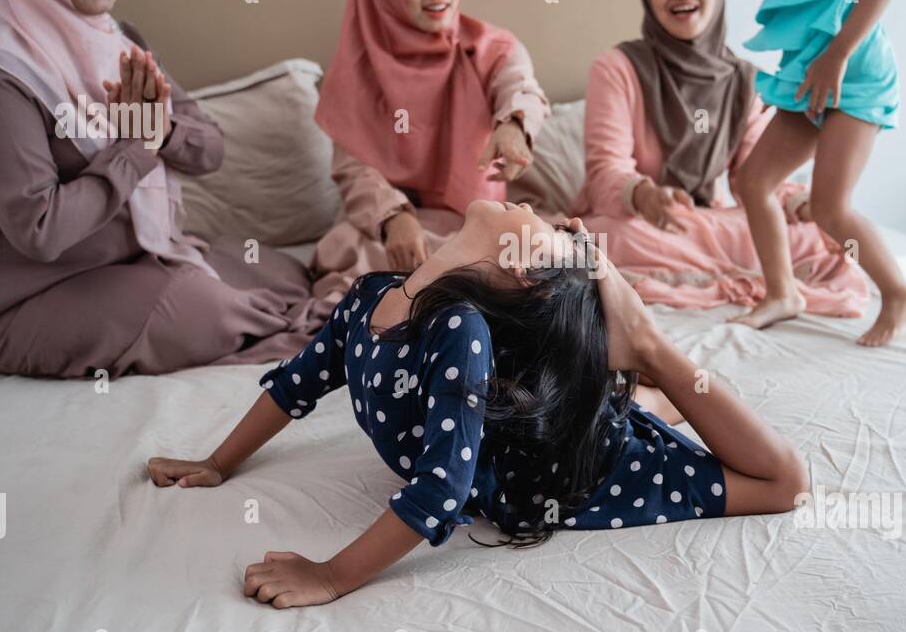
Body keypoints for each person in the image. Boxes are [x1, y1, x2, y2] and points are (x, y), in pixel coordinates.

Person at [148, 201, 809, 609]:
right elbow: (297, 384)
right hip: (531, 418)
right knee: (632, 403)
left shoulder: (460, 329)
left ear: (521, 268)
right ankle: (632, 388)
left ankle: (647, 355)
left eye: (553, 232)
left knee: (780, 480)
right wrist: (217, 461)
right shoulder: (372, 294)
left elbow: (440, 492)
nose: (545, 211)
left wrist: (330, 576)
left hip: (578, 467)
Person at [0, 0, 331, 378]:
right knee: (205, 306)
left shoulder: (117, 40)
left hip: (133, 259)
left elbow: (209, 150)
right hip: (26, 299)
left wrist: (164, 131)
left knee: (282, 275)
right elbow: (41, 230)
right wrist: (136, 147)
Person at [680, 0, 906, 345]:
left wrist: (836, 56)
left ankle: (899, 292)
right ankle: (782, 293)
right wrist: (817, 63)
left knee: (831, 206)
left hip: (855, 75)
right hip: (807, 75)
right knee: (753, 182)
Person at [572, 0, 867, 318]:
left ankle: (727, 270)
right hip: (636, 223)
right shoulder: (618, 68)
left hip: (705, 223)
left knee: (808, 234)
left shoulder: (744, 81)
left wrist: (802, 206)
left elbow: (757, 178)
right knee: (600, 242)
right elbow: (605, 170)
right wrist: (645, 196)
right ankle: (728, 271)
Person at [309, 0, 551, 302]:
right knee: (358, 264)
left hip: (474, 221)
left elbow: (521, 86)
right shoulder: (357, 70)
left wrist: (513, 126)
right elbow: (353, 169)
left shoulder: (489, 48)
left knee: (529, 255)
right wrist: (393, 217)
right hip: (384, 230)